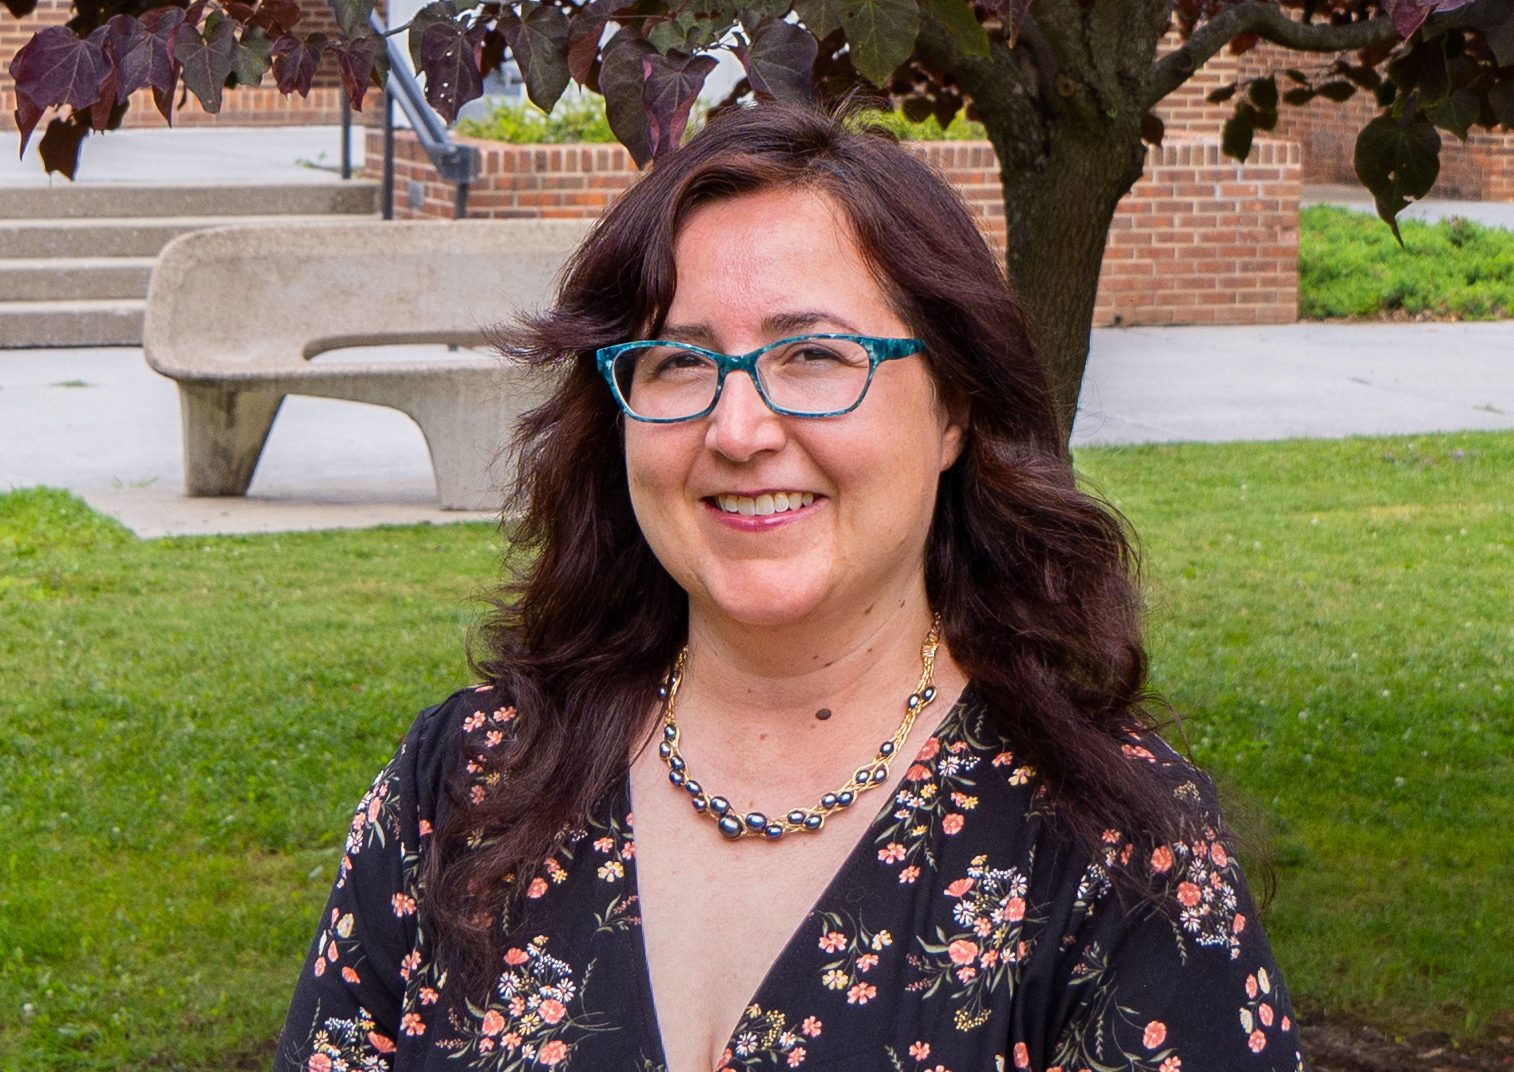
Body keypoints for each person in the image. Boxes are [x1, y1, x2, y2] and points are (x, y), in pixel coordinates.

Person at [274, 102, 1307, 1072]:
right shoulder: (463, 790)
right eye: (680, 362)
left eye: (813, 354)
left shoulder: (1110, 851)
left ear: (953, 409)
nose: (737, 430)